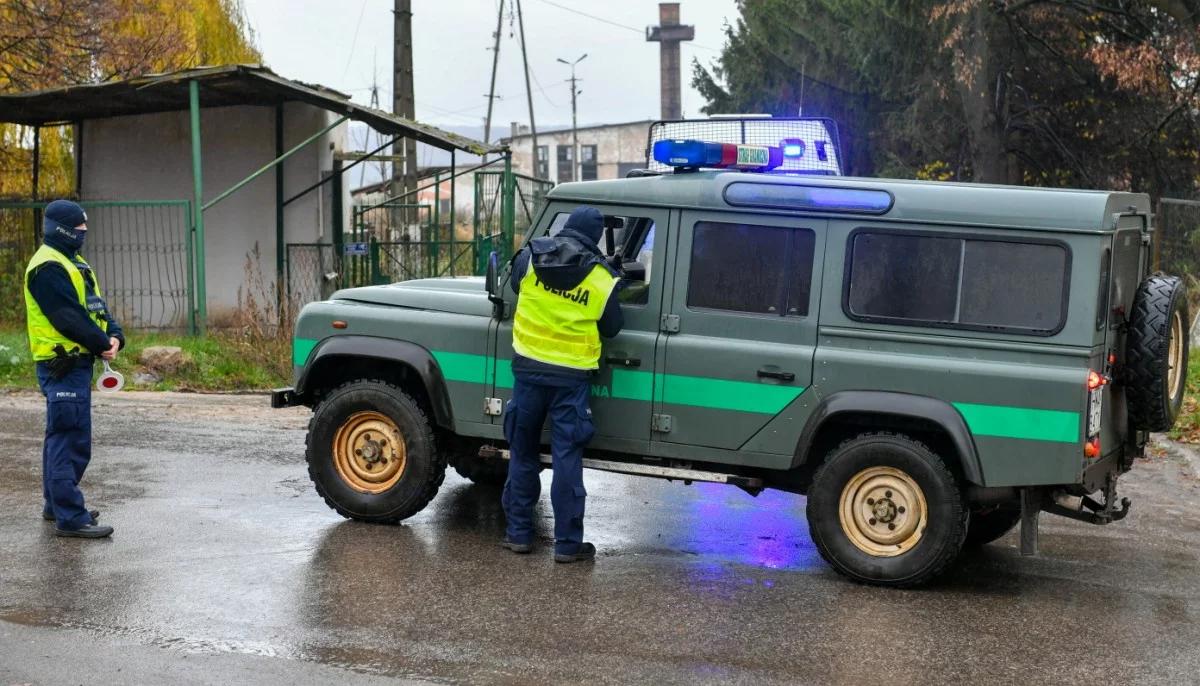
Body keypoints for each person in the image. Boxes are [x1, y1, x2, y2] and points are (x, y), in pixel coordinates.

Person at [501, 205, 623, 563]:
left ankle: (519, 535)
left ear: (566, 227)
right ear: (596, 237)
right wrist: (613, 274)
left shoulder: (530, 259)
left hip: (528, 372)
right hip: (571, 379)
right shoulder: (601, 278)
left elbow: (512, 286)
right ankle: (568, 546)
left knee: (522, 454)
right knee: (566, 458)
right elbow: (612, 327)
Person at [24, 200, 124, 539]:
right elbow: (67, 317)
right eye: (78, 228)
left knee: (69, 437)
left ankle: (57, 505)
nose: (83, 233)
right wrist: (100, 343)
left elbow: (94, 306)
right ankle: (70, 516)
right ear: (62, 229)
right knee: (68, 439)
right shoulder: (47, 267)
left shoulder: (74, 263)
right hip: (61, 364)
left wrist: (114, 335)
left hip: (77, 362)